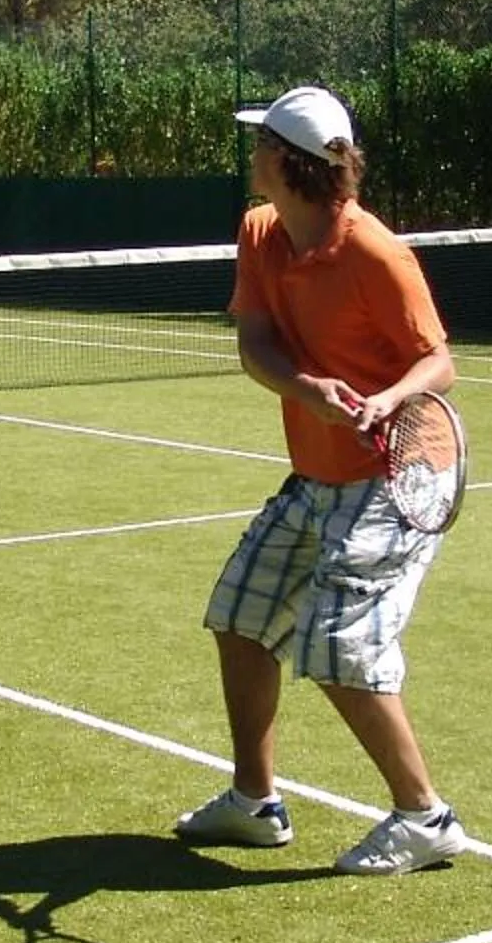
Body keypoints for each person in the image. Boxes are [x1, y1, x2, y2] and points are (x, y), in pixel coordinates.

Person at [176, 85, 469, 875]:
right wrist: (308, 391)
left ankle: (425, 818)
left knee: (339, 644)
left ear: (286, 161)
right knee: (241, 618)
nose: (251, 156)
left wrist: (388, 398)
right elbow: (256, 344)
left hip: (400, 474)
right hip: (318, 474)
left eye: (260, 144)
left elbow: (438, 361)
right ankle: (254, 802)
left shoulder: (375, 253)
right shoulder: (260, 231)